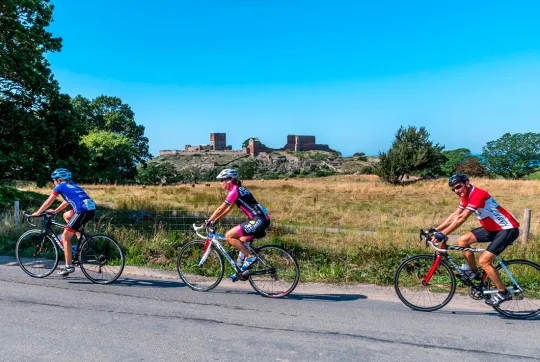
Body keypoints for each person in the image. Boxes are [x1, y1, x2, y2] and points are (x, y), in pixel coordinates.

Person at [431, 173, 520, 306]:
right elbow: (455, 215)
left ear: (467, 183)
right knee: (463, 241)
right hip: (492, 229)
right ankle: (474, 274)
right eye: (454, 189)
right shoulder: (466, 196)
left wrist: (443, 234)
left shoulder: (478, 194)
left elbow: (462, 218)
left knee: (484, 261)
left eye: (458, 187)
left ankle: (503, 292)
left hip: (507, 229)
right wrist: (436, 230)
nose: (456, 191)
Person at [207, 168, 270, 280]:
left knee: (229, 236)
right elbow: (227, 210)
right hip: (263, 219)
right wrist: (215, 220)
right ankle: (241, 271)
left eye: (222, 180)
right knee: (243, 241)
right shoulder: (239, 189)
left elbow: (221, 208)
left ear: (229, 180)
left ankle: (250, 257)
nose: (220, 183)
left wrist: (208, 221)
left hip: (258, 220)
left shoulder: (234, 191)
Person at [32, 168, 96, 276]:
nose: (53, 182)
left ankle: (68, 266)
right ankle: (81, 238)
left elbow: (49, 201)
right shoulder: (72, 184)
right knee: (66, 215)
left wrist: (38, 212)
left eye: (54, 180)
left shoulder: (60, 186)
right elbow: (67, 201)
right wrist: (56, 211)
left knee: (65, 238)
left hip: (81, 210)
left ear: (58, 179)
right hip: (91, 208)